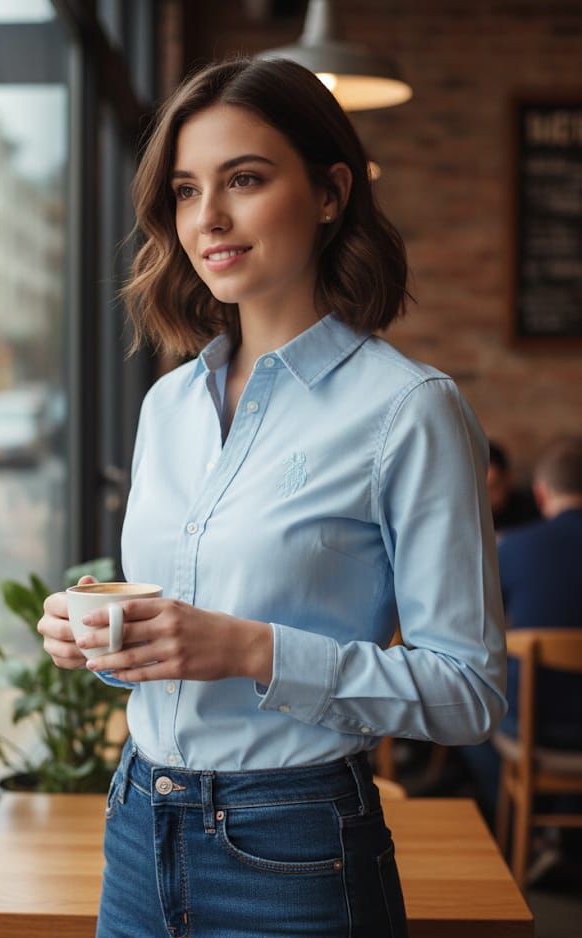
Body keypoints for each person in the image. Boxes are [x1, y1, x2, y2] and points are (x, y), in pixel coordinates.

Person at [37, 57, 507, 938]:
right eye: (184, 190)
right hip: (139, 824)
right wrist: (97, 634)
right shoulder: (167, 405)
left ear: (330, 192)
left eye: (243, 180)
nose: (206, 218)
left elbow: (467, 694)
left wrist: (250, 649)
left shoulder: (408, 411)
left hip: (293, 847)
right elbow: (174, 630)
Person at [462, 436, 582, 829]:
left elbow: (480, 623)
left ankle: (523, 829)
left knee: (469, 713)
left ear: (541, 493)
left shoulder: (514, 548)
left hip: (536, 728)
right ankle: (561, 830)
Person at [487, 440, 540, 535]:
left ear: (508, 479)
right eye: (481, 490)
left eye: (493, 486)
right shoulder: (466, 514)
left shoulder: (531, 511)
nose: (487, 496)